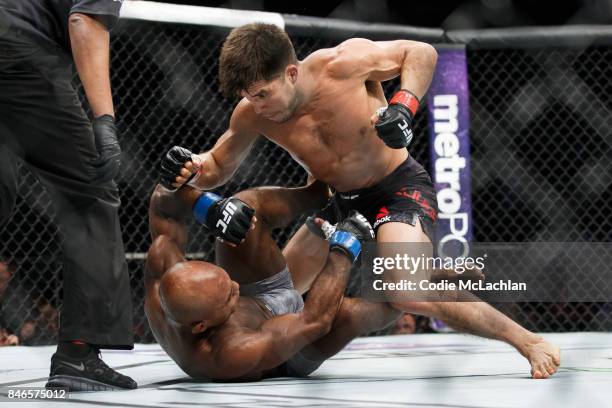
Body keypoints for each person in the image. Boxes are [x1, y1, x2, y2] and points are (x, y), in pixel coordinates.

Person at [160, 23, 560, 378]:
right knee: (283, 297)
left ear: (292, 72)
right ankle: (429, 272)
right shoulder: (252, 112)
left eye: (264, 93)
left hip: (397, 189)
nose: (258, 105)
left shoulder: (343, 64)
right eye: (251, 96)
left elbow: (421, 52)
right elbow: (217, 165)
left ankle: (527, 341)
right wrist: (190, 167)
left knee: (407, 294)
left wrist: (403, 105)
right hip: (338, 201)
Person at [0, 1, 135, 391]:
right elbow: (84, 20)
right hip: (20, 58)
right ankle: (79, 353)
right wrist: (105, 121)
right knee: (91, 193)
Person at [145, 182, 400, 380]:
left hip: (260, 296)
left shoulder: (163, 265)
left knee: (240, 206)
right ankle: (439, 283)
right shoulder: (228, 352)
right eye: (229, 296)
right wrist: (344, 248)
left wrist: (209, 209)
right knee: (369, 307)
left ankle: (320, 193)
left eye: (227, 281)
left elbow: (162, 201)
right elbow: (314, 322)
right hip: (288, 349)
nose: (235, 286)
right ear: (201, 326)